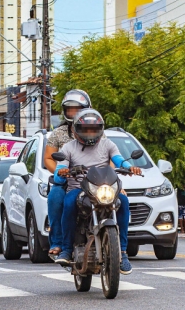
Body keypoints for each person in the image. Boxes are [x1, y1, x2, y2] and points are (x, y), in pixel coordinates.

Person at [53, 109, 140, 275]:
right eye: (85, 129)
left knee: (124, 202)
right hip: (79, 189)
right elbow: (60, 168)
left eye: (94, 129)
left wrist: (130, 168)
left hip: (103, 188)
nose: (90, 133)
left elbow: (119, 160)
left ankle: (122, 251)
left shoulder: (108, 144)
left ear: (100, 129)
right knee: (69, 203)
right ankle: (65, 249)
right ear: (75, 129)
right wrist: (63, 171)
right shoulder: (68, 147)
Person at [44, 89, 92, 256]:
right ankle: (58, 241)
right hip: (67, 180)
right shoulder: (58, 133)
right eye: (70, 109)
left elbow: (108, 157)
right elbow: (49, 158)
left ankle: (118, 245)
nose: (73, 113)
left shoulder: (95, 130)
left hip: (92, 180)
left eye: (77, 109)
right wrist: (61, 171)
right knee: (55, 198)